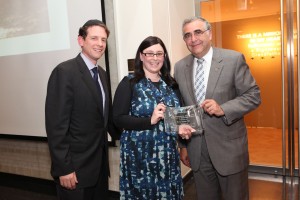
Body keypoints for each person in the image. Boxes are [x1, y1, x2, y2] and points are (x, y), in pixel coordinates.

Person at [174, 17, 261, 200]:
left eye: (198, 32)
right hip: (197, 151)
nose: (193, 39)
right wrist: (183, 146)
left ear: (210, 34)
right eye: (187, 35)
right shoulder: (180, 67)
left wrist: (223, 109)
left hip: (228, 150)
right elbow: (183, 107)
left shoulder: (233, 59)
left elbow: (253, 95)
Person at [45, 19, 120, 200]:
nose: (100, 44)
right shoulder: (64, 72)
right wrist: (64, 169)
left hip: (99, 169)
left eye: (103, 39)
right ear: (81, 40)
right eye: (94, 38)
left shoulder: (101, 74)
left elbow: (106, 119)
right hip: (74, 171)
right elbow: (56, 127)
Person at [113, 36, 184, 200]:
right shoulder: (129, 83)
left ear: (164, 57)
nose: (155, 58)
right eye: (150, 53)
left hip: (167, 157)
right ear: (141, 56)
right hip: (139, 159)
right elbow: (118, 119)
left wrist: (183, 129)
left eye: (159, 53)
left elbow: (177, 117)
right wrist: (149, 121)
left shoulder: (171, 84)